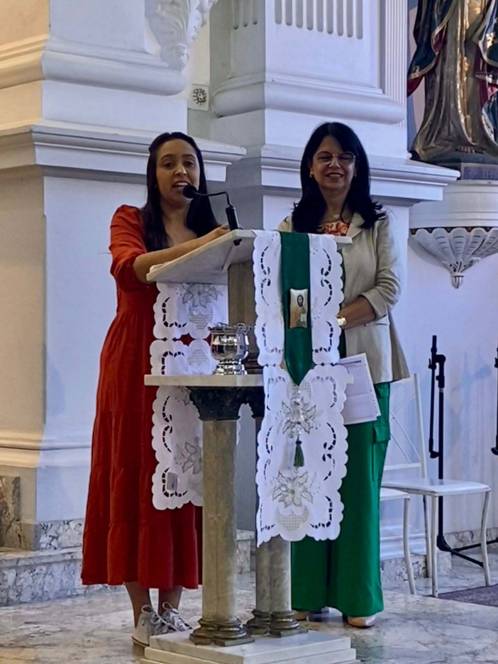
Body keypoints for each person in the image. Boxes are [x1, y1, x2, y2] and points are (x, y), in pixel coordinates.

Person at [81, 131, 229, 647]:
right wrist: (208, 244)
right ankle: (142, 611)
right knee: (136, 473)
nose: (180, 172)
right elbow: (133, 268)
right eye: (168, 163)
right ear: (153, 172)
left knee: (185, 475)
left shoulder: (212, 228)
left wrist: (219, 241)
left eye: (189, 162)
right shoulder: (130, 219)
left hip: (194, 360)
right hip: (135, 361)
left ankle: (172, 609)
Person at [279, 122, 408, 628]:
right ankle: (307, 592)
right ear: (310, 167)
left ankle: (359, 598)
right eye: (325, 156)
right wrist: (308, 327)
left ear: (357, 166)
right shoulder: (292, 226)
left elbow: (388, 289)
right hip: (307, 370)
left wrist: (332, 321)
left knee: (358, 483)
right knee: (308, 475)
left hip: (365, 367)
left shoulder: (377, 224)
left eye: (345, 157)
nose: (335, 165)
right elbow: (285, 292)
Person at [408, 0, 498, 164]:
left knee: (475, 67)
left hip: (483, 10)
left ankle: (475, 134)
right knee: (453, 66)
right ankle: (452, 134)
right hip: (453, 11)